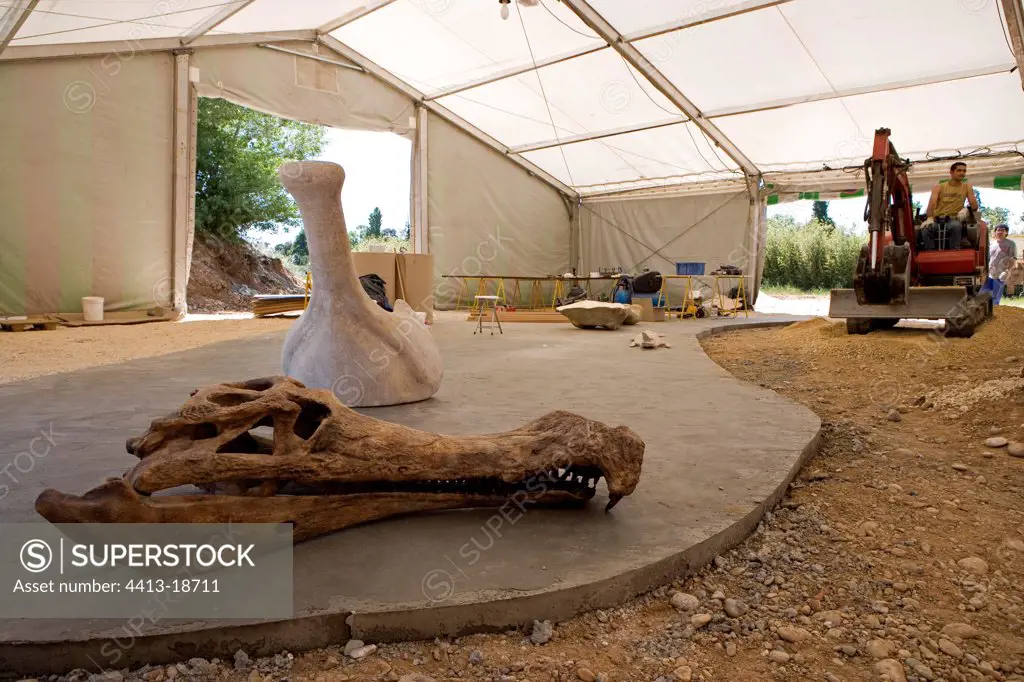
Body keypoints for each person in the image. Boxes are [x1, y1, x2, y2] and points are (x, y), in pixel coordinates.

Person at [920, 162, 978, 250]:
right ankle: (930, 253)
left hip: (953, 219)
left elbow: (974, 206)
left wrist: (966, 209)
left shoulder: (967, 187)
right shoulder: (939, 187)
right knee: (926, 229)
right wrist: (929, 218)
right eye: (959, 170)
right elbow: (932, 204)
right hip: (937, 219)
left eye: (964, 171)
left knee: (956, 226)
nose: (962, 173)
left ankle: (954, 252)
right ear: (951, 172)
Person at [981, 223, 1018, 305]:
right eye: (998, 230)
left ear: (1006, 233)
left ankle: (995, 313)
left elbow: (1013, 259)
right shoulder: (991, 244)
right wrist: (984, 271)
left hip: (1001, 274)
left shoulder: (1011, 244)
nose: (1000, 232)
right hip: (989, 274)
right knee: (982, 294)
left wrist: (1007, 271)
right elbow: (987, 258)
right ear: (995, 232)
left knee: (995, 297)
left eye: (1002, 230)